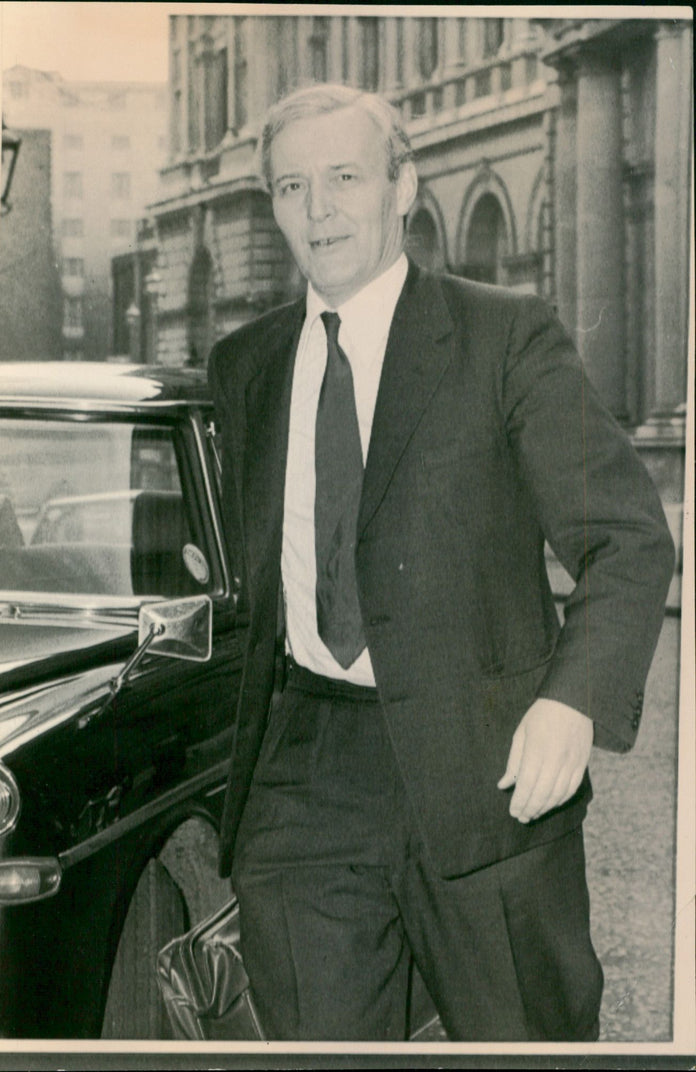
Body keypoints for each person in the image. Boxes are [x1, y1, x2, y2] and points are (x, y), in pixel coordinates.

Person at [207, 83, 675, 1042]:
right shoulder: (244, 366)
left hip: (488, 775)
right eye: (292, 187)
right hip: (305, 781)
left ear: (402, 186)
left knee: (525, 1048)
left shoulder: (505, 335)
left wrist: (572, 700)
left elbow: (625, 539)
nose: (319, 208)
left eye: (344, 177)